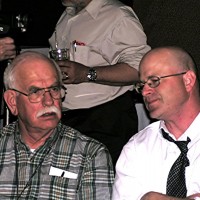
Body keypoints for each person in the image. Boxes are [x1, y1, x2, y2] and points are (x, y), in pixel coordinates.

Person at [49, 0, 151, 166]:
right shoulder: (67, 15)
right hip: (67, 119)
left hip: (104, 120)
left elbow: (140, 69)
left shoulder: (117, 15)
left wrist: (86, 74)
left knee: (101, 187)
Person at [1, 51, 114, 199]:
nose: (48, 101)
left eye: (54, 89)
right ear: (12, 101)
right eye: (35, 91)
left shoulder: (90, 154)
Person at [112, 46, 200, 200]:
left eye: (154, 81)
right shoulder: (137, 148)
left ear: (188, 80)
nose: (145, 92)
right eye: (142, 85)